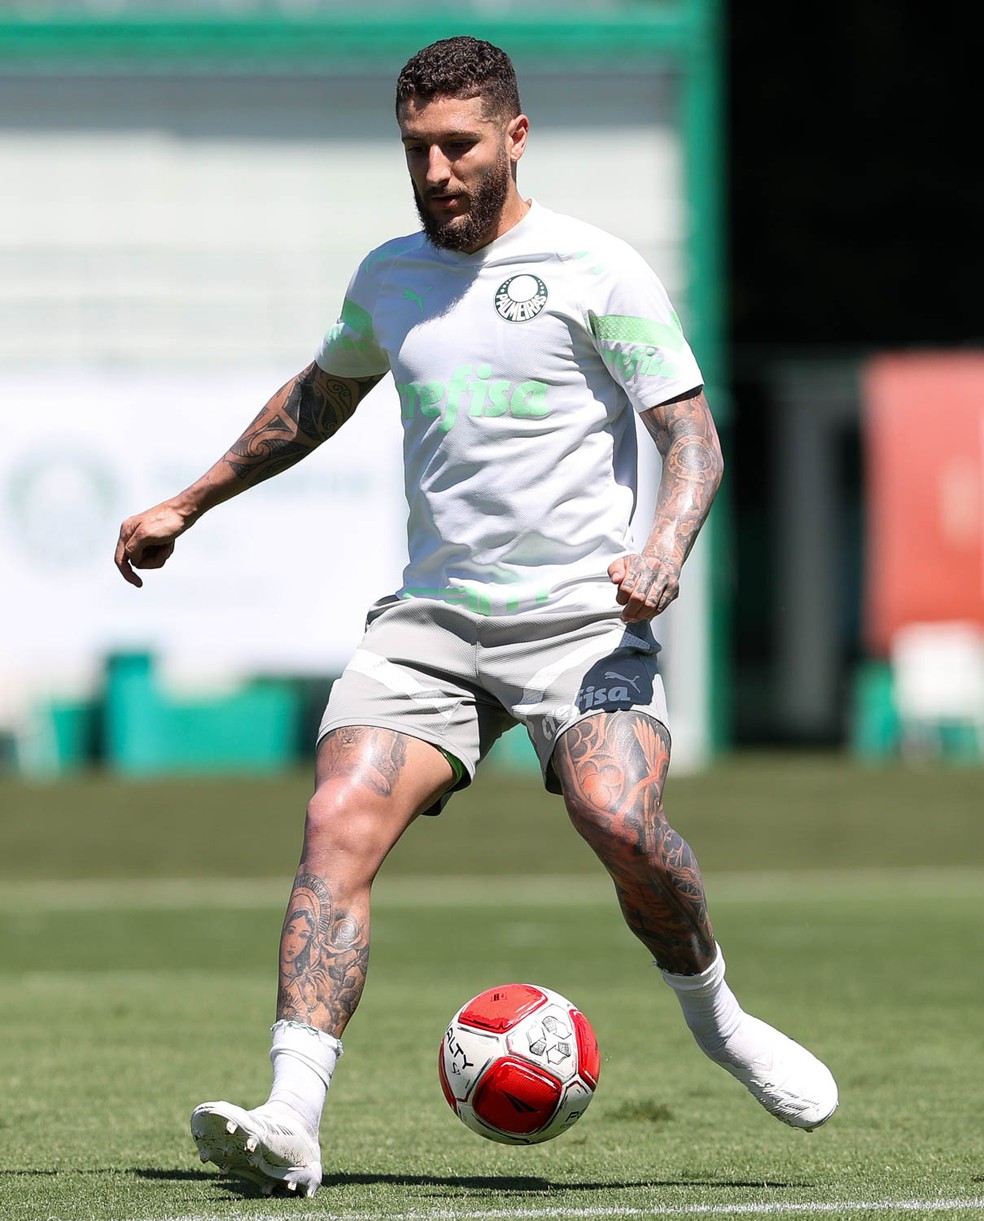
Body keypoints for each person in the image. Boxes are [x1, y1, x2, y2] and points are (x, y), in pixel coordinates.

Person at [114, 35, 837, 1199]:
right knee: (336, 824)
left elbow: (691, 436)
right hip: (433, 624)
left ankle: (720, 1018)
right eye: (417, 150)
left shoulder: (599, 269)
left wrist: (662, 546)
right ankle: (291, 1116)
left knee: (619, 818)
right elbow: (318, 398)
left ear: (515, 136)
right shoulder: (391, 275)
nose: (438, 170)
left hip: (579, 621)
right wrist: (189, 501)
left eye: (459, 144)